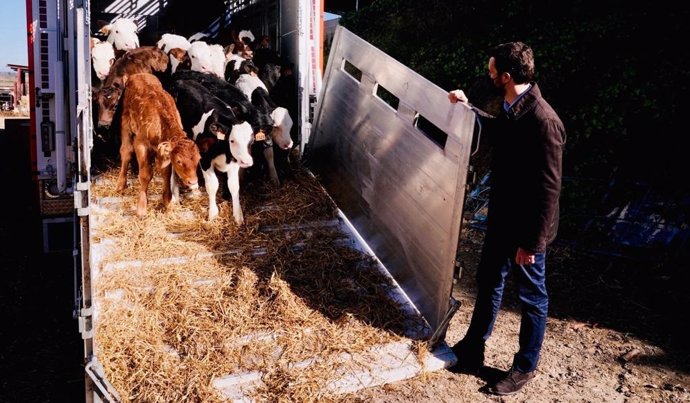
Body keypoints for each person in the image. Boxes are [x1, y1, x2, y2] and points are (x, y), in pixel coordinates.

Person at [448, 41, 566, 396]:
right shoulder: (513, 107)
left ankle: (524, 366)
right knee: (489, 282)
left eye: (492, 70)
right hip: (502, 219)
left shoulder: (544, 122)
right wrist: (467, 105)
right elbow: (498, 131)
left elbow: (548, 192)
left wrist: (532, 244)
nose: (489, 74)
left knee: (531, 298)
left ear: (507, 76)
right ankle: (472, 348)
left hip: (528, 230)